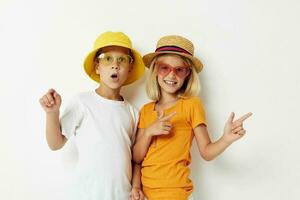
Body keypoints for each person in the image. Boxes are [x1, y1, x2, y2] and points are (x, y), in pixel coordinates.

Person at [132, 35, 252, 200]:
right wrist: (149, 132)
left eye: (179, 69)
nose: (172, 75)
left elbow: (207, 152)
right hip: (146, 195)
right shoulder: (146, 110)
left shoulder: (191, 105)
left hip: (177, 194)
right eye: (164, 68)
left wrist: (226, 139)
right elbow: (137, 158)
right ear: (155, 71)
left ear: (188, 74)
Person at [39, 31, 145, 200]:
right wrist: (52, 113)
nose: (115, 65)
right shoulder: (82, 102)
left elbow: (135, 158)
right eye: (107, 58)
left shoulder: (133, 112)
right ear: (97, 66)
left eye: (122, 59)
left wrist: (135, 187)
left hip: (123, 195)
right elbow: (55, 143)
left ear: (130, 68)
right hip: (87, 194)